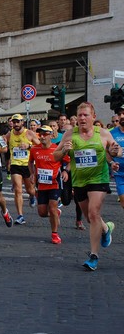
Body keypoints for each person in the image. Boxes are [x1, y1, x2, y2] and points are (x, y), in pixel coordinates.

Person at [54, 102, 120, 271]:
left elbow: (115, 150)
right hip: (79, 180)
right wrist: (63, 151)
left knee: (94, 212)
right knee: (90, 218)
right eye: (80, 115)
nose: (82, 118)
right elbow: (55, 156)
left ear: (94, 117)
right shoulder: (69, 134)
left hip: (99, 178)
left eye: (86, 115)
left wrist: (114, 155)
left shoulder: (103, 133)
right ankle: (106, 229)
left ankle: (94, 256)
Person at [29, 125, 69, 244]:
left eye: (45, 134)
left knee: (52, 208)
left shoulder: (57, 149)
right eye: (40, 134)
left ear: (51, 135)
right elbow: (30, 162)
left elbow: (69, 161)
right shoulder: (34, 149)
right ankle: (56, 214)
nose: (42, 136)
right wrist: (32, 174)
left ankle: (55, 234)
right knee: (42, 212)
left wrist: (66, 171)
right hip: (41, 185)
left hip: (55, 184)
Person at [4, 113, 40, 225]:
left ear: (22, 122)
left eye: (17, 122)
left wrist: (29, 146)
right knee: (18, 190)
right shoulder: (9, 134)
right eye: (14, 122)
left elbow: (40, 146)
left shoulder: (29, 133)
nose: (15, 124)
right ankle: (20, 215)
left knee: (30, 189)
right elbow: (3, 144)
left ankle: (32, 195)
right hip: (15, 165)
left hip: (27, 165)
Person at [109, 106, 124, 210]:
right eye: (120, 114)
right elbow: (106, 151)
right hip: (120, 173)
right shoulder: (112, 133)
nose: (121, 116)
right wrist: (111, 162)